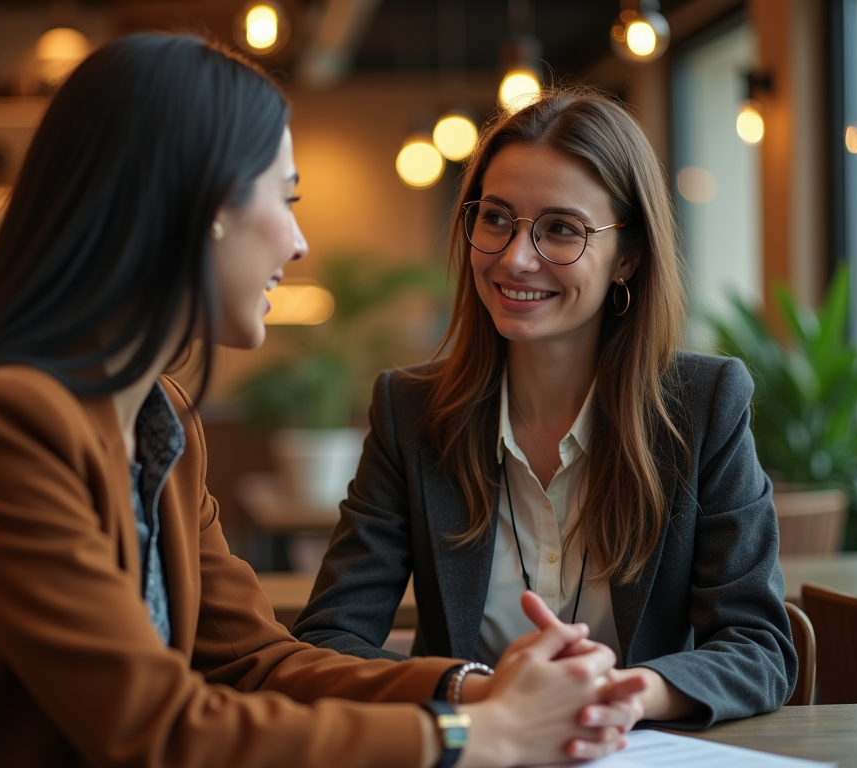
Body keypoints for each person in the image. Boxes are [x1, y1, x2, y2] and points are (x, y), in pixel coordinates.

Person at [0, 35, 647, 768]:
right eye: (288, 197)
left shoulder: (157, 420)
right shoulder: (7, 423)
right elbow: (156, 728)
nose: (299, 244)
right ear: (201, 208)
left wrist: (474, 690)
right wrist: (472, 735)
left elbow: (255, 659)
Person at [293, 86, 798, 730]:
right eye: (495, 218)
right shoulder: (410, 410)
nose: (515, 257)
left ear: (630, 257)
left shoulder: (703, 405)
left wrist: (619, 695)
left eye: (562, 229)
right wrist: (475, 689)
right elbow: (327, 641)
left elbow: (761, 647)